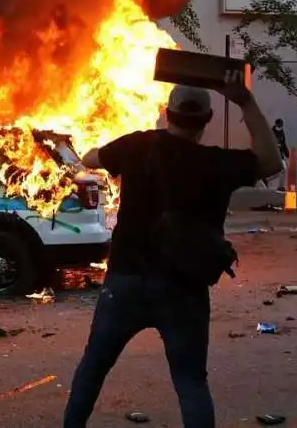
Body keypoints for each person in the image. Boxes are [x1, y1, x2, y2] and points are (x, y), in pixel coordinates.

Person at [62, 71, 283, 428]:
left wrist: (107, 155)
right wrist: (244, 100)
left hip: (126, 285)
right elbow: (271, 162)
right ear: (207, 120)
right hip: (184, 290)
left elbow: (88, 159)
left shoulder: (137, 146)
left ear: (167, 112)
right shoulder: (216, 163)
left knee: (93, 367)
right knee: (191, 382)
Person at [268, 118, 289, 191]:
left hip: (280, 155)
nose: (280, 127)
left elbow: (283, 144)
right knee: (280, 170)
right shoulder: (271, 133)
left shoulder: (282, 132)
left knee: (283, 170)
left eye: (281, 126)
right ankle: (267, 180)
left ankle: (280, 187)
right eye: (279, 126)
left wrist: (287, 154)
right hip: (273, 155)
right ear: (276, 125)